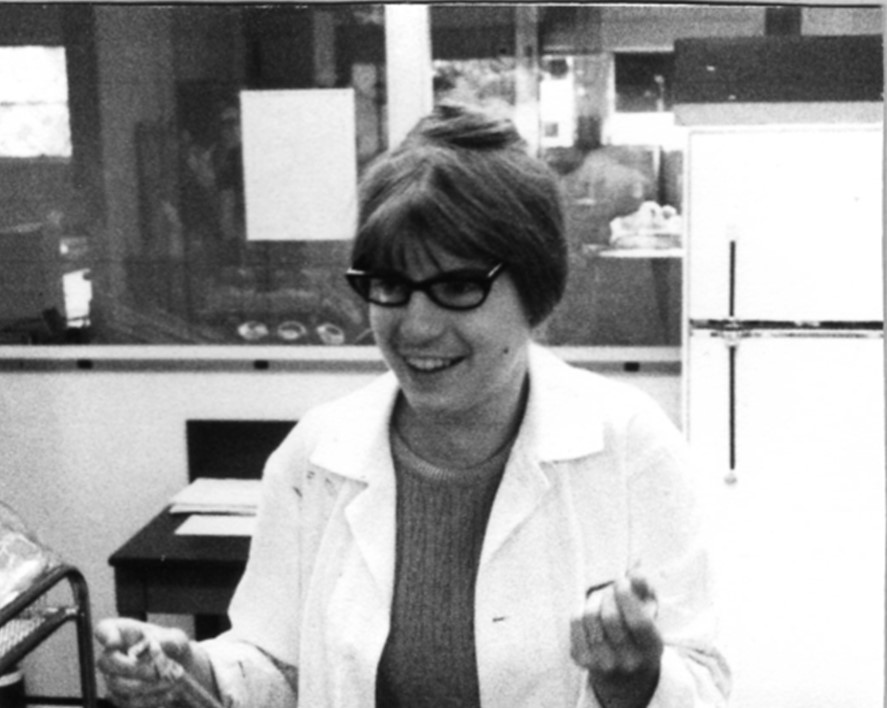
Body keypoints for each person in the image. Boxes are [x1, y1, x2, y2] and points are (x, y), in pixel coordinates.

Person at [96, 103, 730, 708]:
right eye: (391, 285)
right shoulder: (317, 456)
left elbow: (703, 682)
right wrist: (190, 669)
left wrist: (637, 680)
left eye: (457, 286)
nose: (416, 326)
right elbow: (281, 669)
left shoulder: (628, 447)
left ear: (535, 289)